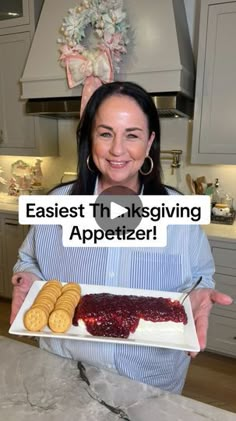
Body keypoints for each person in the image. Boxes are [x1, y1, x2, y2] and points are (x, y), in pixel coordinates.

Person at [10, 81, 232, 394]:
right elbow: (29, 259)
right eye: (105, 133)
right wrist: (28, 279)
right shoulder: (57, 204)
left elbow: (199, 278)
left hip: (150, 378)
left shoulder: (177, 212)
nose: (117, 149)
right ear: (90, 138)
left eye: (132, 135)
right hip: (67, 369)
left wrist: (198, 294)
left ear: (150, 141)